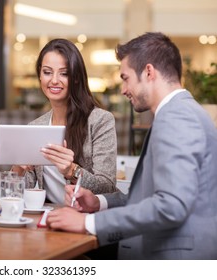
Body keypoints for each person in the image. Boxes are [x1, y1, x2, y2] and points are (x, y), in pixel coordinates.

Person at [46, 32, 217, 259]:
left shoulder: (176, 117)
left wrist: (88, 222)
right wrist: (99, 202)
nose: (123, 90)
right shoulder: (183, 111)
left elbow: (171, 206)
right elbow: (152, 196)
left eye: (125, 78)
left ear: (148, 72)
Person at [13, 38, 117, 204]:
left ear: (76, 78)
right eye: (47, 72)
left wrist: (72, 170)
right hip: (50, 218)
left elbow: (108, 187)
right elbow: (22, 195)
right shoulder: (36, 127)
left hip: (87, 219)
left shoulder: (100, 120)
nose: (54, 80)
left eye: (64, 73)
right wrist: (18, 170)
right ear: (40, 75)